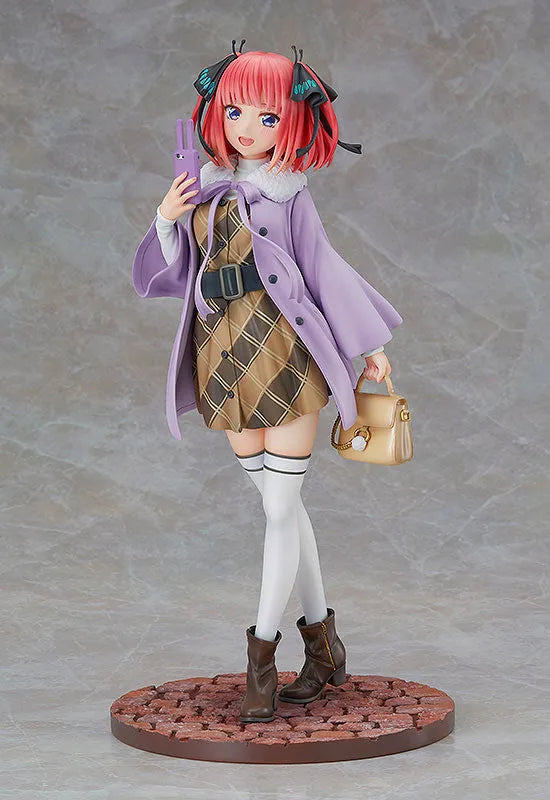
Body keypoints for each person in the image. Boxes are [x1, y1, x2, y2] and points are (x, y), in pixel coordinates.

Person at [132, 44, 403, 724]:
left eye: (267, 116)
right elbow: (175, 273)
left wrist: (369, 346)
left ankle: (262, 655)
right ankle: (326, 648)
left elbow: (324, 266)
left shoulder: (289, 194)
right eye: (234, 111)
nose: (248, 127)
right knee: (283, 506)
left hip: (283, 354)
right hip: (222, 358)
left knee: (280, 509)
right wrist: (166, 217)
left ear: (294, 122)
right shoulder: (204, 184)